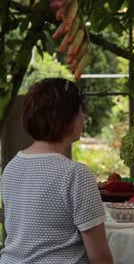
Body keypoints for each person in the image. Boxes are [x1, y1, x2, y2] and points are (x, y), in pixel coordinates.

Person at [0, 78, 113, 263]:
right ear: (68, 118)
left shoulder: (12, 167)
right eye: (80, 112)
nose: (83, 118)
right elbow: (99, 256)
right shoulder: (76, 174)